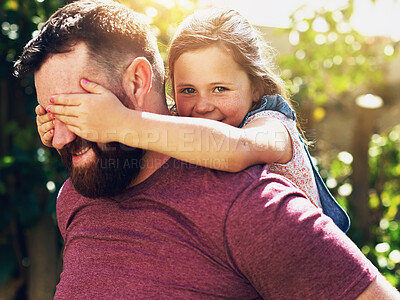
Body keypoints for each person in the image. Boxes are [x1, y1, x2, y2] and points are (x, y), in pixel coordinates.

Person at [13, 0, 399, 298]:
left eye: (78, 109)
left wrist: (121, 123)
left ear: (137, 82)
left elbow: (237, 149)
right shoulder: (77, 196)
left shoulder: (252, 196)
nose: (60, 137)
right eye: (50, 113)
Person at [36, 7, 350, 232]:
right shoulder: (184, 123)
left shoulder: (272, 126)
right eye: (187, 90)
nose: (202, 106)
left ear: (255, 87)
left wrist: (119, 122)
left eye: (220, 88)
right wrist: (64, 126)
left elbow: (236, 149)